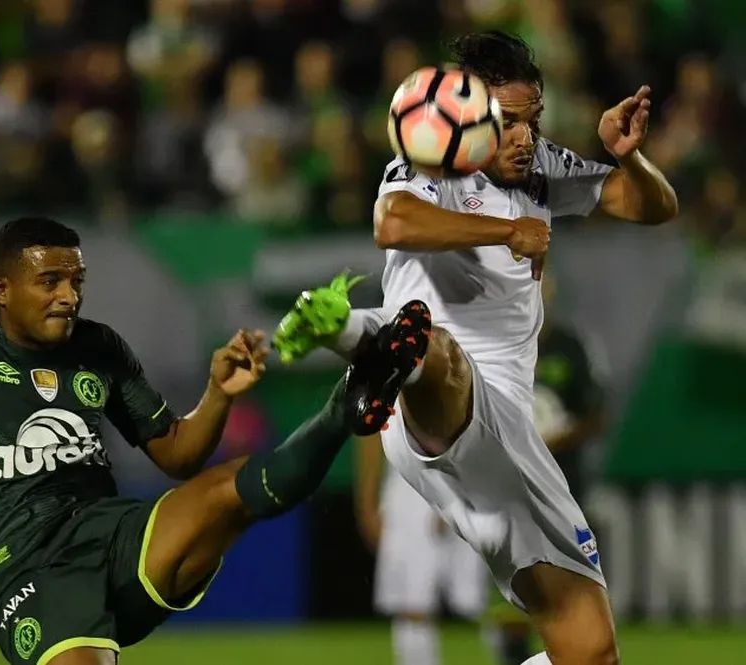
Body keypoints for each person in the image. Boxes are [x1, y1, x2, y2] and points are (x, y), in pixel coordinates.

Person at [0, 122, 403, 665]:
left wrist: (218, 394)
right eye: (50, 281)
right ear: (1, 289)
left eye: (76, 280)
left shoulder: (99, 346)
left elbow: (177, 455)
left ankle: (348, 399)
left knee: (225, 489)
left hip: (109, 533)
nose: (68, 295)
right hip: (21, 563)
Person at [273, 31, 678, 665]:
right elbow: (393, 222)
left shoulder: (541, 166)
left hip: (507, 429)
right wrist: (506, 230)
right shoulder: (431, 163)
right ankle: (365, 338)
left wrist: (627, 157)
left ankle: (357, 333)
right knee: (436, 346)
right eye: (510, 122)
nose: (525, 137)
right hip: (438, 400)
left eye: (533, 119)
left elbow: (654, 207)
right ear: (470, 116)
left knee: (590, 651)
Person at [487, 271, 609, 665]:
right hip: (507, 486)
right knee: (516, 586)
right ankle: (514, 651)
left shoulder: (571, 347)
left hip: (564, 485)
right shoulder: (496, 349)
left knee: (566, 590)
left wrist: (554, 438)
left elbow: (596, 415)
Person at [355, 433, 487, 665]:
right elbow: (370, 432)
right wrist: (366, 502)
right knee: (412, 605)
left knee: (488, 604)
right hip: (411, 490)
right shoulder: (383, 399)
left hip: (467, 480)